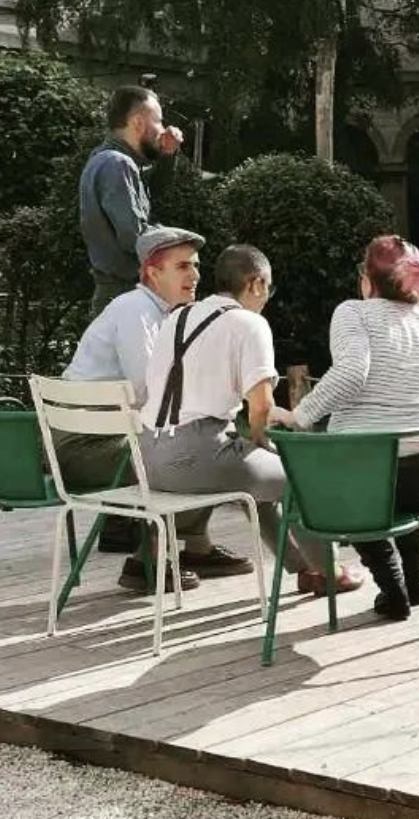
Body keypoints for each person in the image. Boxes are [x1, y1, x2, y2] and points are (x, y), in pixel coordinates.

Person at [137, 245, 354, 597]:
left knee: (260, 475)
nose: (267, 297)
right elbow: (261, 407)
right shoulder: (249, 324)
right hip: (197, 457)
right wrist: (261, 442)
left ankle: (305, 568)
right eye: (268, 287)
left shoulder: (177, 318)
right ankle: (330, 571)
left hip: (148, 456)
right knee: (301, 478)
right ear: (255, 283)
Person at [278, 236, 419, 622]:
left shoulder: (353, 313)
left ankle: (392, 589)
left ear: (367, 279)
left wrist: (298, 415)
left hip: (364, 476)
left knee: (366, 496)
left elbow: (350, 374)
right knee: (403, 497)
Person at [57, 226, 252, 588]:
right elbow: (151, 390)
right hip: (84, 445)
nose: (195, 275)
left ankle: (196, 547)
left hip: (107, 436)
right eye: (182, 266)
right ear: (152, 272)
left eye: (196, 265)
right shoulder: (136, 311)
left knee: (198, 442)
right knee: (187, 451)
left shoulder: (162, 314)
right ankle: (146, 560)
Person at [79, 85, 184, 314]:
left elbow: (154, 191)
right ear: (137, 123)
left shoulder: (106, 159)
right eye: (159, 121)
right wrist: (180, 243)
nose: (164, 130)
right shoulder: (117, 164)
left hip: (118, 295)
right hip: (122, 295)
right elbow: (133, 236)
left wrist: (167, 155)